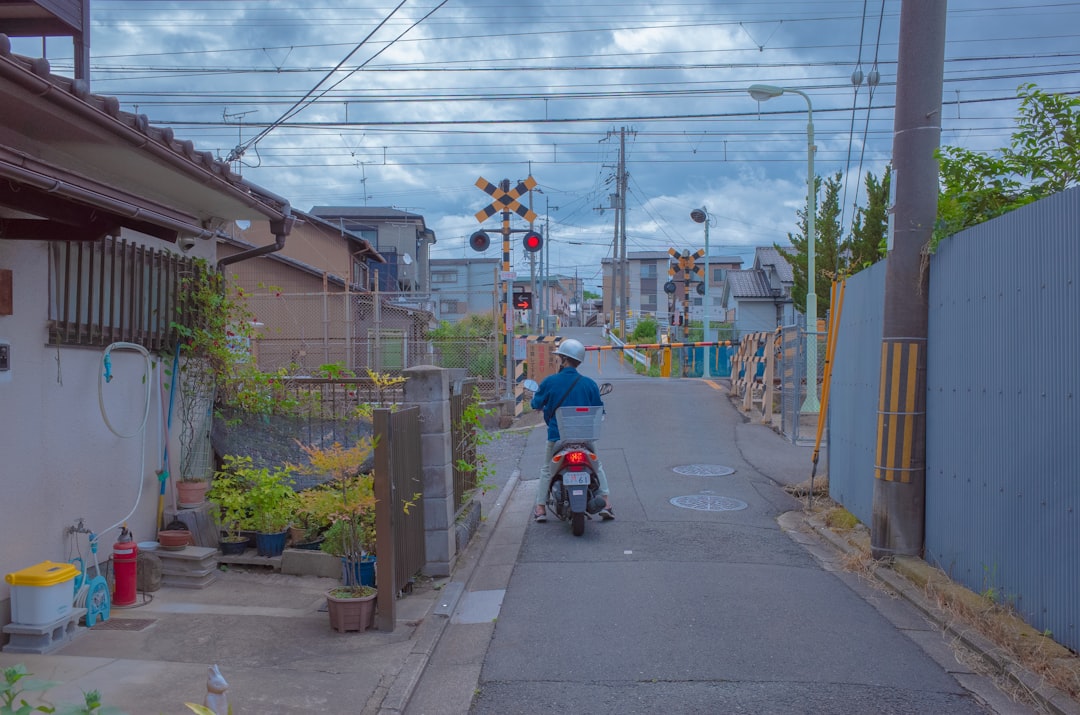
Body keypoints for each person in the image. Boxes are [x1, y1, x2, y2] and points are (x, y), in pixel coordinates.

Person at [530, 338, 614, 523]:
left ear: (564, 359)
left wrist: (540, 405)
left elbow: (535, 403)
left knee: (546, 470)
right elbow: (599, 411)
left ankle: (540, 507)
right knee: (597, 466)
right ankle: (606, 504)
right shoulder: (590, 384)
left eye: (560, 357)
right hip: (585, 439)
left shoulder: (550, 382)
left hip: (557, 438)